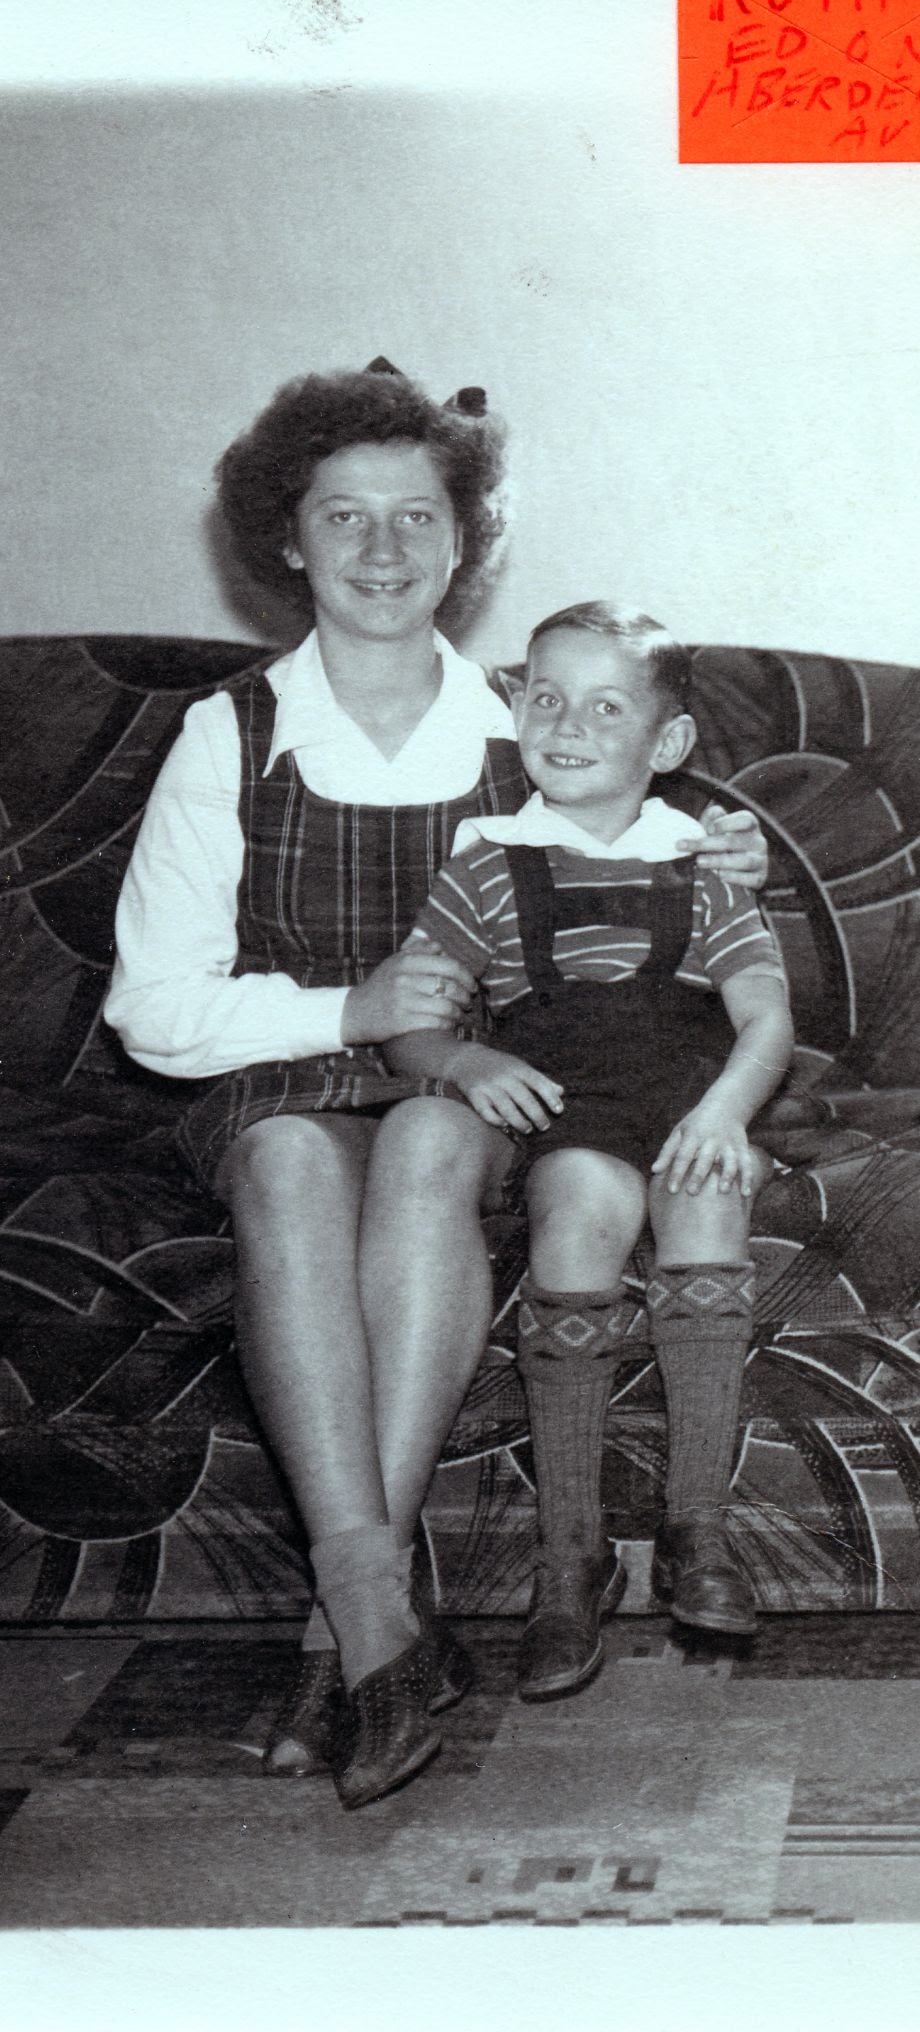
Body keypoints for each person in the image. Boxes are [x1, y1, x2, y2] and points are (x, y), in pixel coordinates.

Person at [105, 363, 769, 1806]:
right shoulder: (231, 732)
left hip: (474, 1091)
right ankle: (368, 1605)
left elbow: (662, 846)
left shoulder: (523, 732)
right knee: (289, 1155)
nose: (384, 548)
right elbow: (149, 1008)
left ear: (466, 541)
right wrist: (341, 1006)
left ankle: (346, 1634)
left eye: (418, 515)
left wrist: (731, 851)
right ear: (287, 540)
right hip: (273, 1076)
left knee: (423, 1131)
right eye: (342, 515)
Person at [386, 601, 793, 1701]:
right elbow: (410, 1022)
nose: (566, 724)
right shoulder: (485, 864)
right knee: (574, 1210)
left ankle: (697, 1529)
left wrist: (724, 1115)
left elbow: (764, 1017)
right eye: (545, 697)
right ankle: (569, 1555)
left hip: (690, 1103)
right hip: (570, 1116)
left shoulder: (706, 864)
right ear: (516, 708)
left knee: (706, 1200)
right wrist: (463, 1059)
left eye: (606, 707)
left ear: (667, 741)